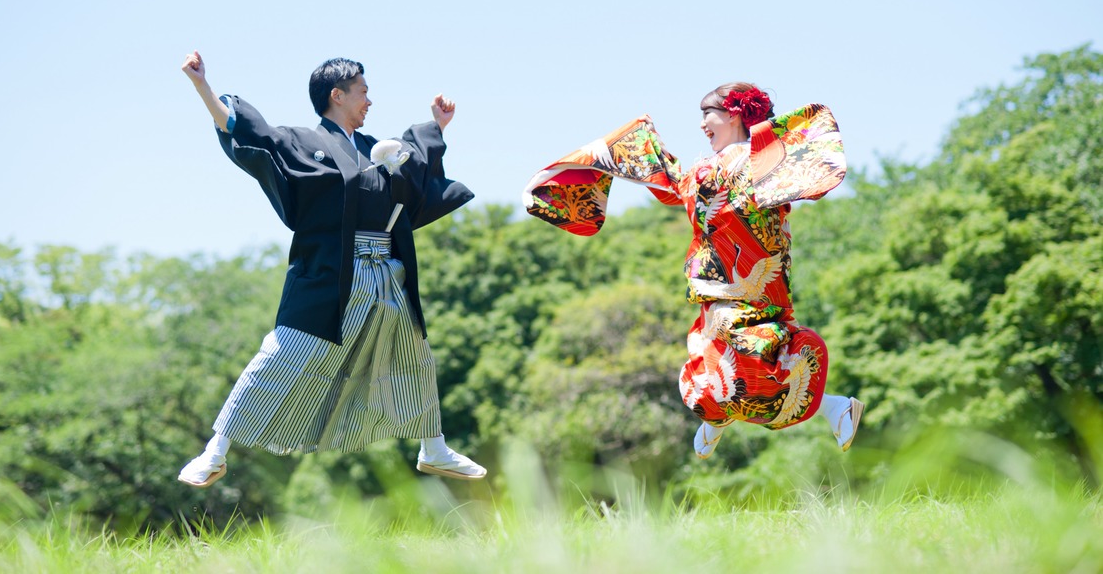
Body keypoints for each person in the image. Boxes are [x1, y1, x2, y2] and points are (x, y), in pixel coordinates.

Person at [176, 50, 486, 486]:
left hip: (386, 273)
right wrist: (202, 86)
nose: (369, 101)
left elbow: (415, 168)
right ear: (337, 95)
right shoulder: (304, 142)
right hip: (332, 275)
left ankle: (433, 449)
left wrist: (436, 125)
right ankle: (215, 451)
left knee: (414, 358)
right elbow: (245, 130)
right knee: (282, 356)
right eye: (363, 92)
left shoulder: (374, 149)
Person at [523, 82, 864, 458]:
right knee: (733, 365)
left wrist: (627, 153)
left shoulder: (733, 165)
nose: (703, 124)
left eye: (708, 114)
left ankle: (792, 412)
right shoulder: (759, 163)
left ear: (734, 114)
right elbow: (687, 190)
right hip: (743, 286)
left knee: (744, 369)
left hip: (740, 287)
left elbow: (685, 188)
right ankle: (825, 410)